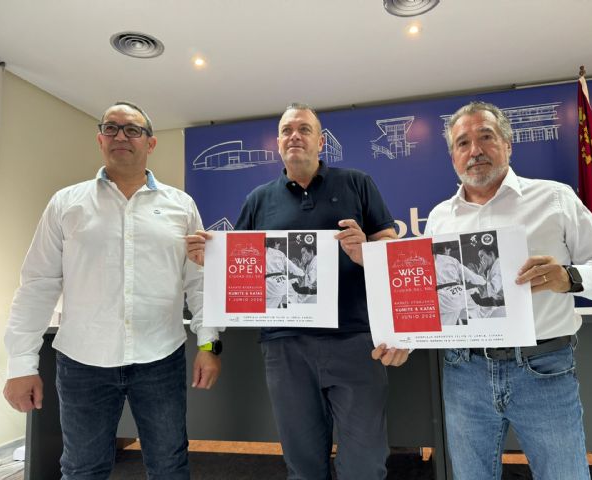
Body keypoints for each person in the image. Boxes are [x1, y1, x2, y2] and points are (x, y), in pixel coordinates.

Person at [3, 102, 222, 479]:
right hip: (82, 362)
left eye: (133, 129)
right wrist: (21, 365)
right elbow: (38, 284)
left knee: (170, 464)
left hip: (160, 358)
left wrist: (209, 345)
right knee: (82, 469)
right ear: (100, 139)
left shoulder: (181, 206)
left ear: (150, 143)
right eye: (111, 128)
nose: (121, 136)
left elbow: (199, 282)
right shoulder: (66, 204)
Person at [186, 103, 405, 479]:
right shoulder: (258, 199)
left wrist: (366, 248)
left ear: (320, 142)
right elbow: (241, 268)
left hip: (355, 340)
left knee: (365, 462)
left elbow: (391, 246)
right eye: (287, 130)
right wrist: (211, 261)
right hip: (285, 346)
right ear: (277, 143)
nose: (295, 136)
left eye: (304, 129)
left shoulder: (357, 183)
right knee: (302, 463)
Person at [420, 101, 592, 479]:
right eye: (463, 143)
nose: (475, 150)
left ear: (508, 144)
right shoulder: (439, 218)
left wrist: (569, 277)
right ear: (453, 157)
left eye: (486, 137)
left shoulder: (554, 198)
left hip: (542, 367)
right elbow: (430, 298)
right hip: (464, 371)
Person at [432, 243, 486, 325]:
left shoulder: (426, 261)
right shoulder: (451, 260)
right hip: (459, 293)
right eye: (449, 251)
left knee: (446, 324)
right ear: (446, 249)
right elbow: (472, 277)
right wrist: (483, 279)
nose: (449, 253)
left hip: (442, 298)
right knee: (479, 313)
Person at [266, 238, 304, 308]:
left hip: (269, 285)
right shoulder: (279, 253)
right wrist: (302, 273)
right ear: (275, 243)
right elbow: (292, 267)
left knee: (271, 304)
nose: (278, 246)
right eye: (278, 244)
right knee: (293, 297)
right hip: (283, 281)